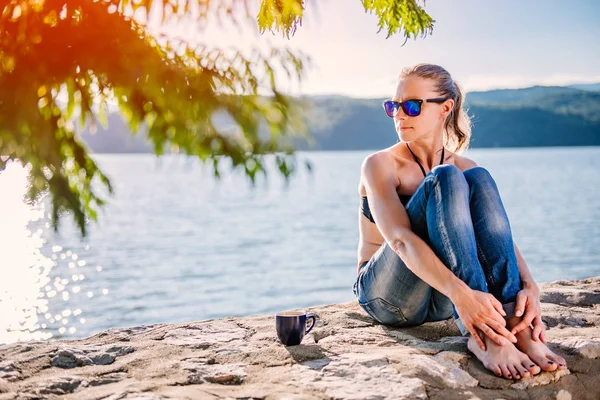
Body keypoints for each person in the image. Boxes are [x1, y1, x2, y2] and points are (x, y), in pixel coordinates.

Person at [352, 63, 567, 380]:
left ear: (445, 109)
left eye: (412, 106)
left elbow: (495, 236)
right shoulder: (380, 164)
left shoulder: (465, 164)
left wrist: (530, 288)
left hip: (442, 296)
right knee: (446, 178)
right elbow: (399, 240)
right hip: (388, 295)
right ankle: (487, 337)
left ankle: (515, 329)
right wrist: (465, 299)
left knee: (475, 176)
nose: (400, 115)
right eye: (393, 106)